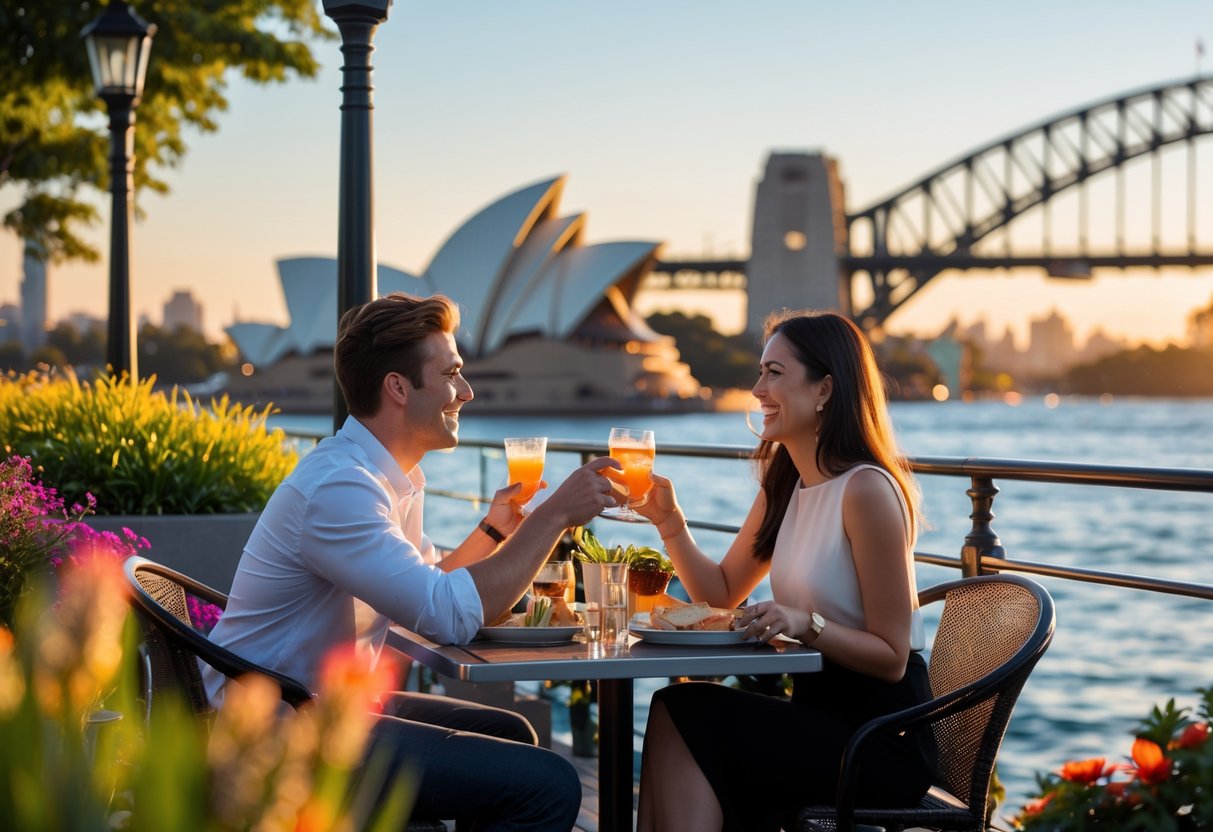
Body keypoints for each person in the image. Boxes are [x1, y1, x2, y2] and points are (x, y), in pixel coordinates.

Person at [202, 291, 621, 831]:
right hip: (280, 736)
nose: (466, 391)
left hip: (317, 708)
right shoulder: (342, 487)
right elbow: (444, 614)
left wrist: (494, 531)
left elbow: (425, 591)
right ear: (397, 388)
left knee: (512, 735)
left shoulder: (386, 478)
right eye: (451, 373)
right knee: (549, 784)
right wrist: (555, 515)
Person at [633, 309, 937, 832]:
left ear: (824, 389)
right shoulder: (785, 483)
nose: (756, 389)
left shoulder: (866, 490)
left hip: (880, 736)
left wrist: (804, 624)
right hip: (818, 716)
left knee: (689, 715)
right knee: (672, 708)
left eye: (774, 373)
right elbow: (724, 592)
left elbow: (891, 657)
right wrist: (670, 523)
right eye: (759, 372)